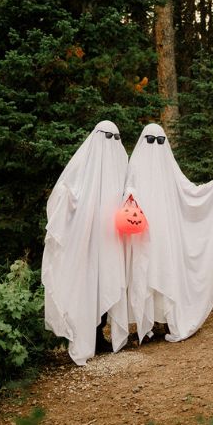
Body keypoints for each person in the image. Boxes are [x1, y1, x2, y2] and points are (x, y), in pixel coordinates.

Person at [123, 123, 213, 344]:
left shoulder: (169, 167)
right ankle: (149, 325)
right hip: (143, 234)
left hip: (167, 235)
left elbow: (188, 190)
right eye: (151, 140)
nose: (156, 146)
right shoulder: (135, 166)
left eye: (160, 141)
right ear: (143, 142)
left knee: (166, 271)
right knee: (146, 272)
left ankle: (168, 319)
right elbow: (127, 191)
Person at [42, 122, 130, 367]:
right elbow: (67, 193)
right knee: (88, 285)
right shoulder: (84, 167)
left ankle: (102, 335)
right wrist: (68, 199)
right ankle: (88, 336)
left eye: (116, 137)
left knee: (107, 282)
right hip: (87, 241)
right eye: (108, 137)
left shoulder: (120, 164)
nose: (112, 142)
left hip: (112, 238)